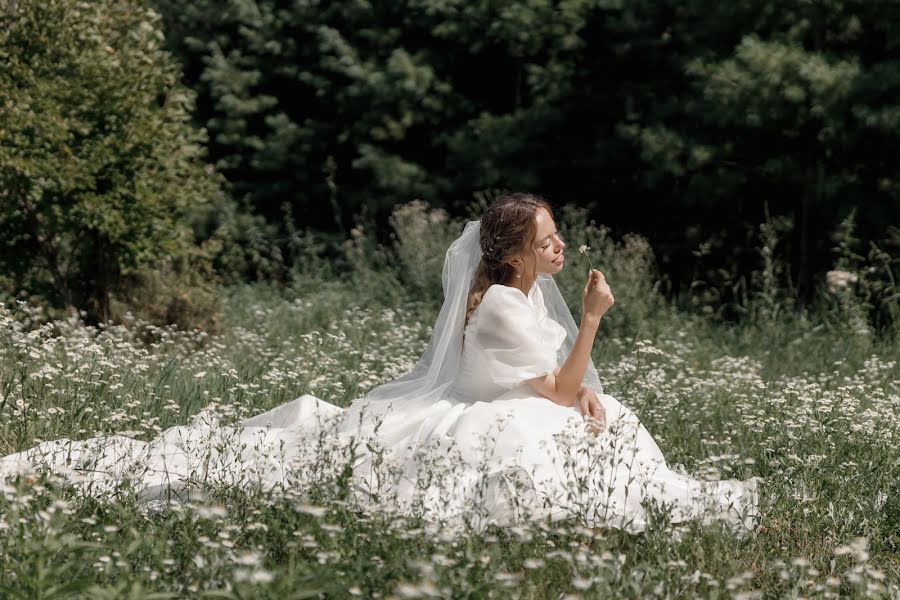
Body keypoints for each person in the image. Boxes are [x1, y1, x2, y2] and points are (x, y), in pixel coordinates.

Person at [0, 192, 761, 537]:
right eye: (550, 239)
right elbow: (561, 386)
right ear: (514, 254)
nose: (562, 248)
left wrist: (580, 392)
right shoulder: (499, 304)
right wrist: (593, 323)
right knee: (549, 442)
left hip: (512, 402)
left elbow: (560, 388)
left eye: (559, 237)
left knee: (609, 417)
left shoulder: (524, 303)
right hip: (477, 418)